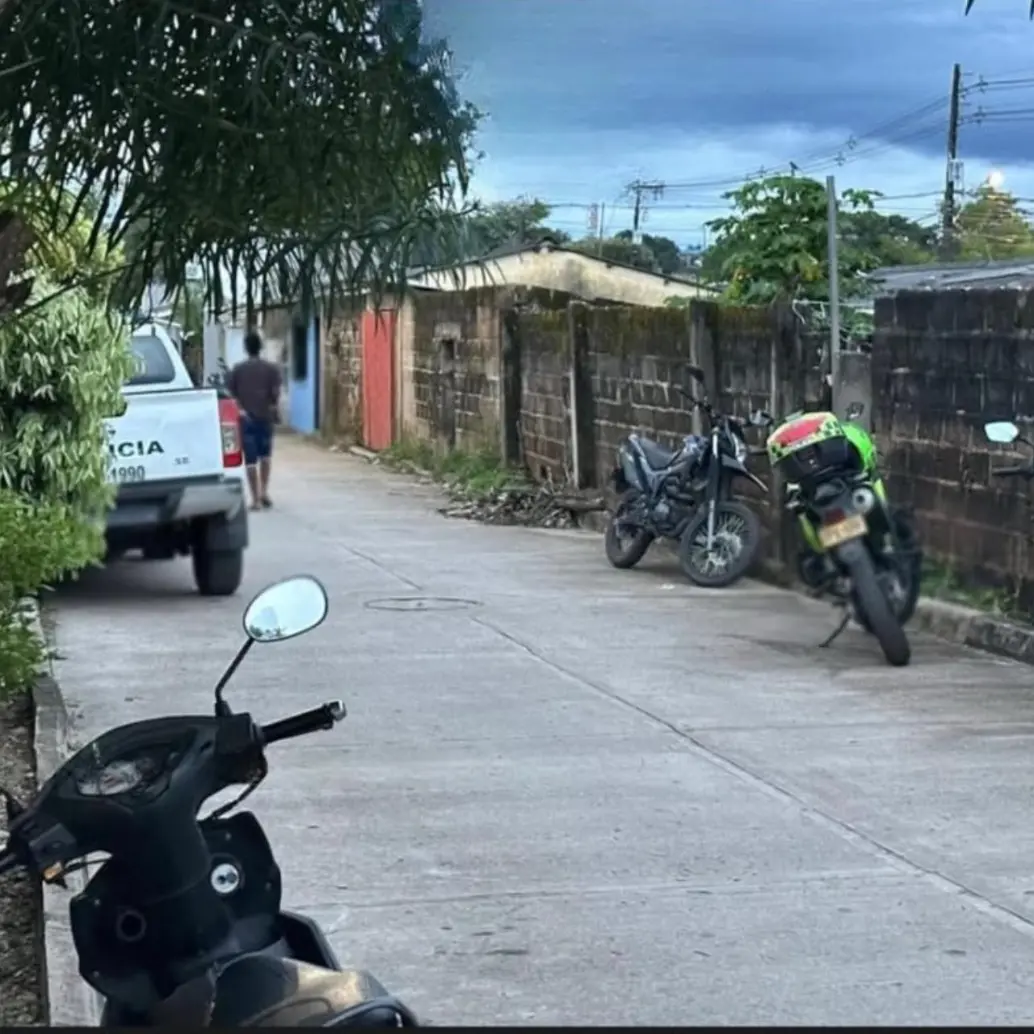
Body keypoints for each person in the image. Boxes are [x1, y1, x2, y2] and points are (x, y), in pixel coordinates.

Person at [226, 330, 282, 511]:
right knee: (265, 456)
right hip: (265, 418)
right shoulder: (271, 370)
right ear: (261, 347)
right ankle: (264, 492)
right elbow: (275, 395)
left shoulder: (237, 370)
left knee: (250, 460)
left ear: (245, 348)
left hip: (245, 419)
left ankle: (255, 498)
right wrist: (273, 410)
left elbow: (231, 396)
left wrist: (241, 410)